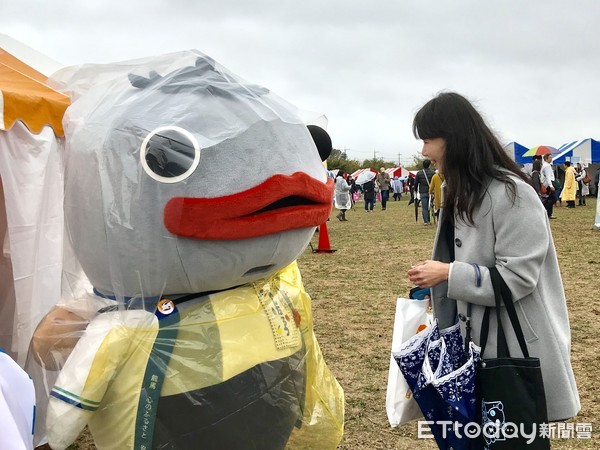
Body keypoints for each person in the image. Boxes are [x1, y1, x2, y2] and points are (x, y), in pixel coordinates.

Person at [407, 92, 580, 423]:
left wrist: (447, 274)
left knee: (512, 437)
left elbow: (517, 279)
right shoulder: (461, 189)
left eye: (429, 139)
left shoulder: (513, 194)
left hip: (513, 348)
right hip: (477, 343)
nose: (424, 150)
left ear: (454, 138)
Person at [414, 159, 436, 225]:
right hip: (431, 191)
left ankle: (426, 221)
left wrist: (415, 191)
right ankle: (434, 218)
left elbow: (416, 183)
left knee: (424, 207)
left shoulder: (419, 173)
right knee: (432, 206)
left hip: (422, 191)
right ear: (429, 165)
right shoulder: (433, 173)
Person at [540, 152, 557, 218]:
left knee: (549, 199)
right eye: (550, 157)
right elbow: (548, 177)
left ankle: (549, 213)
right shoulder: (547, 166)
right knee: (553, 199)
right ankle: (544, 209)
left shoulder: (546, 165)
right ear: (546, 158)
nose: (551, 159)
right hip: (548, 185)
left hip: (546, 184)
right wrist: (551, 186)